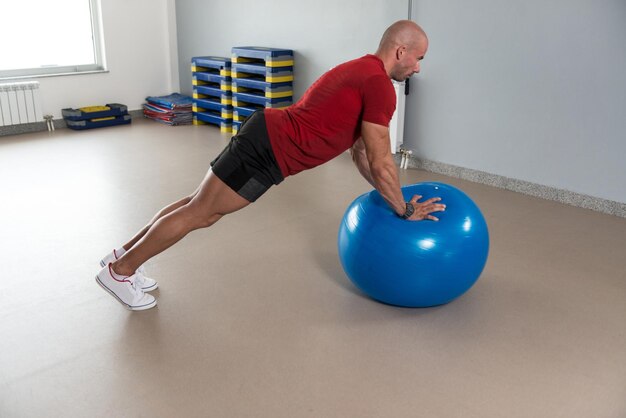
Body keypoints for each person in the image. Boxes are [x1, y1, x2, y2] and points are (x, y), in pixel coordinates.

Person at [96, 20, 446, 310]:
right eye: (418, 58)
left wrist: (392, 200)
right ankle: (119, 271)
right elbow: (383, 161)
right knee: (202, 212)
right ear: (400, 51)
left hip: (265, 136)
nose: (417, 67)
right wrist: (403, 209)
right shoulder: (379, 86)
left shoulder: (362, 71)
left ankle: (124, 255)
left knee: (196, 204)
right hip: (269, 149)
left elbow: (362, 155)